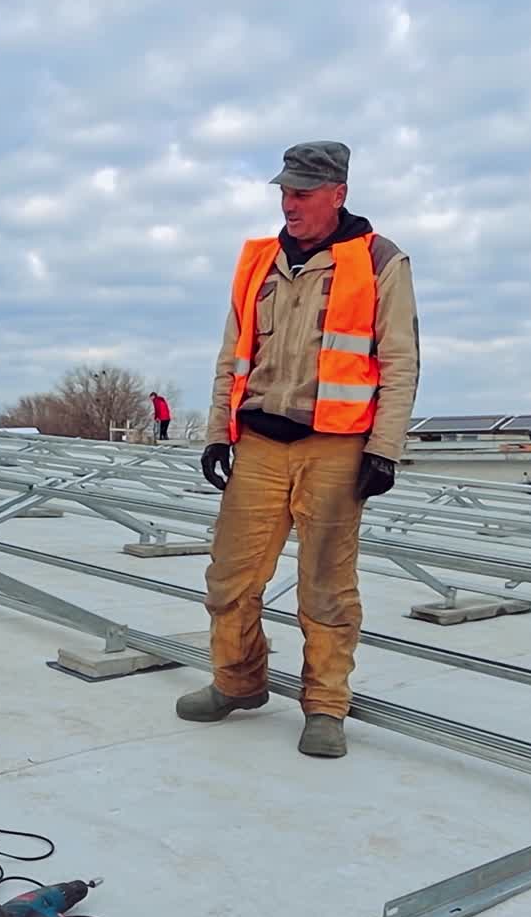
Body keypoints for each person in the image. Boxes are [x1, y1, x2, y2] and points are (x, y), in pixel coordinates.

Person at [177, 141, 419, 758]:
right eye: (284, 191)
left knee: (326, 587)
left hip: (335, 448)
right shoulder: (259, 261)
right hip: (259, 442)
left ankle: (326, 707)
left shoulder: (380, 261)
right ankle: (238, 682)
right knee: (229, 577)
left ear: (337, 193)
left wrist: (384, 449)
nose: (290, 203)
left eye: (303, 193)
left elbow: (399, 362)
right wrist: (214, 433)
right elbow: (231, 354)